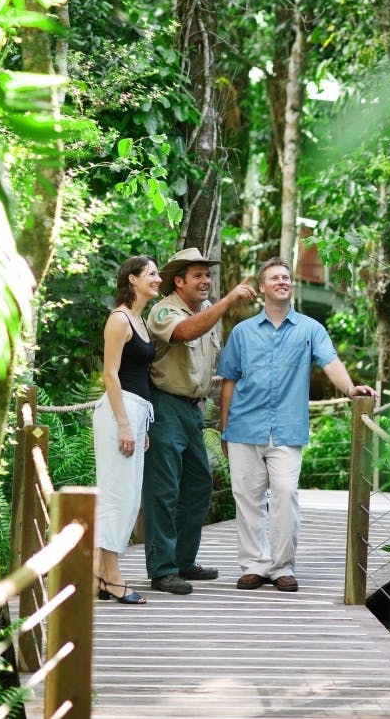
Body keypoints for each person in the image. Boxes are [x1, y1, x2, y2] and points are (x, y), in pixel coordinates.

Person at [218, 258, 376, 592]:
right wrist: (225, 428)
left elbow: (330, 362)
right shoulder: (243, 332)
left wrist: (350, 389)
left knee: (286, 494)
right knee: (247, 497)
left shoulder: (310, 329)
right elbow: (229, 381)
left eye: (286, 277)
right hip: (244, 427)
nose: (282, 281)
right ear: (262, 287)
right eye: (275, 278)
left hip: (287, 429)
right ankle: (254, 565)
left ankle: (282, 567)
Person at [143, 247, 257, 595]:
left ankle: (183, 560)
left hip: (195, 409)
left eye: (208, 275)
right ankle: (163, 569)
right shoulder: (164, 310)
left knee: (198, 484)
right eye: (198, 275)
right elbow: (186, 333)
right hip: (165, 404)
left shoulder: (207, 309)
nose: (206, 281)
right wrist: (229, 300)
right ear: (179, 281)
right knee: (164, 489)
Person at [93, 255, 161, 605]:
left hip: (136, 412)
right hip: (118, 413)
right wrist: (123, 422)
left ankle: (102, 575)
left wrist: (139, 425)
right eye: (151, 273)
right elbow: (110, 374)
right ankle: (112, 577)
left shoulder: (140, 320)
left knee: (130, 498)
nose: (158, 278)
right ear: (132, 279)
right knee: (117, 497)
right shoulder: (120, 319)